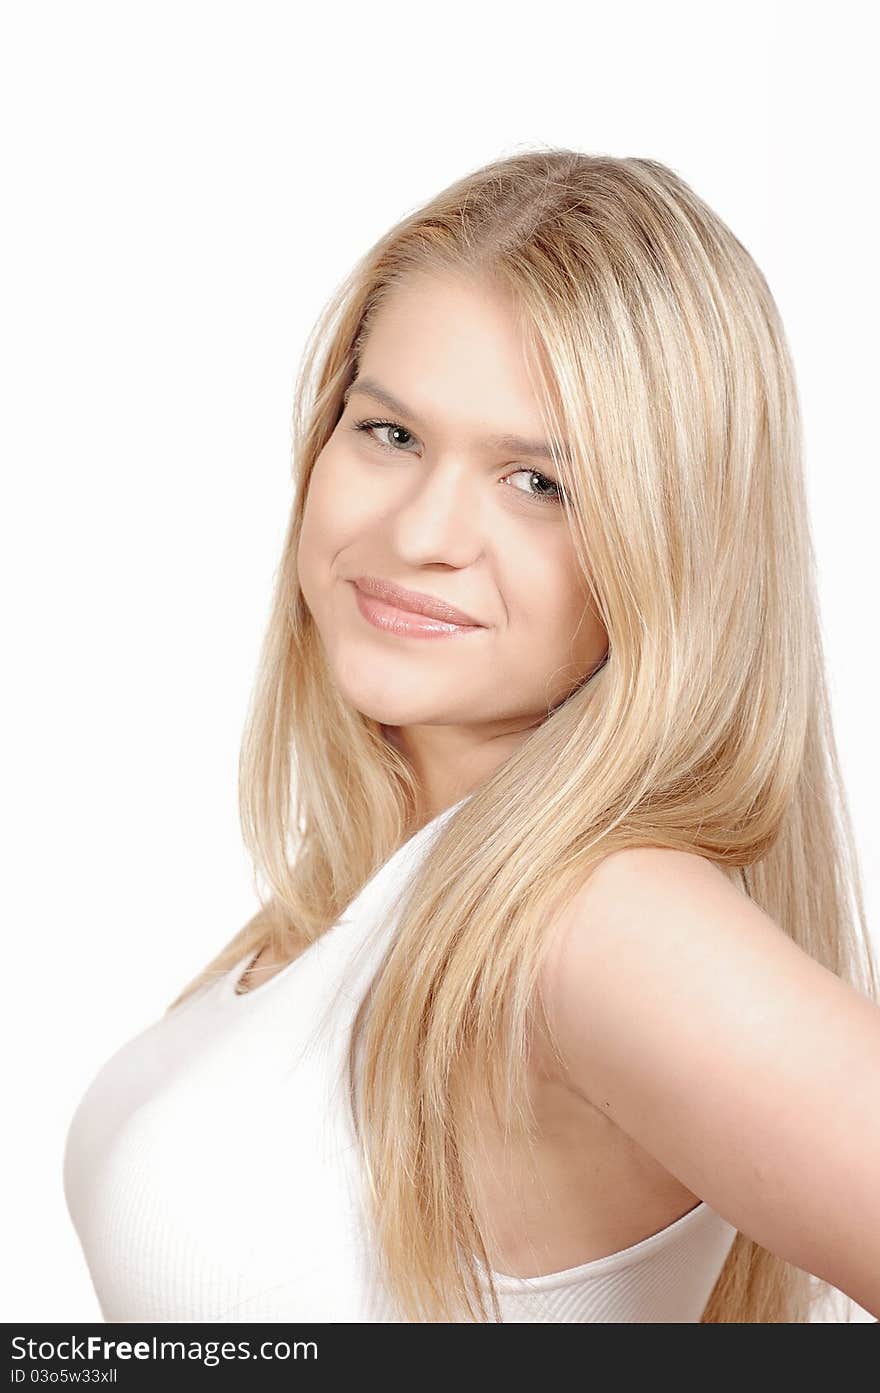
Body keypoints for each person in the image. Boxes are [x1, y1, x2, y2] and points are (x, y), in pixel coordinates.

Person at [63, 148, 880, 1323]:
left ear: (672, 546)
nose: (423, 532)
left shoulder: (603, 921)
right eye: (390, 434)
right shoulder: (382, 884)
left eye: (540, 483)